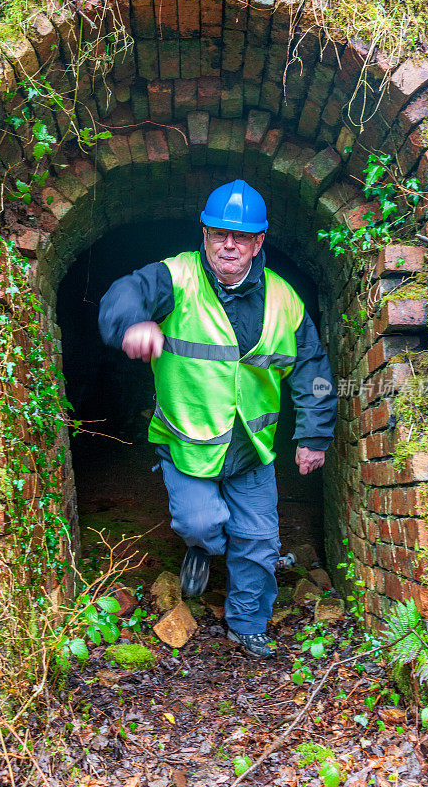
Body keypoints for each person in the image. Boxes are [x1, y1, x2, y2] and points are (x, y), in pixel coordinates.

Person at [98, 180, 337, 659]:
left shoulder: (285, 300)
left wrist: (314, 434)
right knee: (201, 524)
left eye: (241, 236)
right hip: (188, 442)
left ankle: (247, 624)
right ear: (204, 234)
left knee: (260, 539)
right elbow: (125, 292)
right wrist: (132, 323)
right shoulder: (175, 277)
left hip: (251, 449)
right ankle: (202, 548)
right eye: (218, 234)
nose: (229, 245)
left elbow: (312, 368)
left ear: (258, 242)